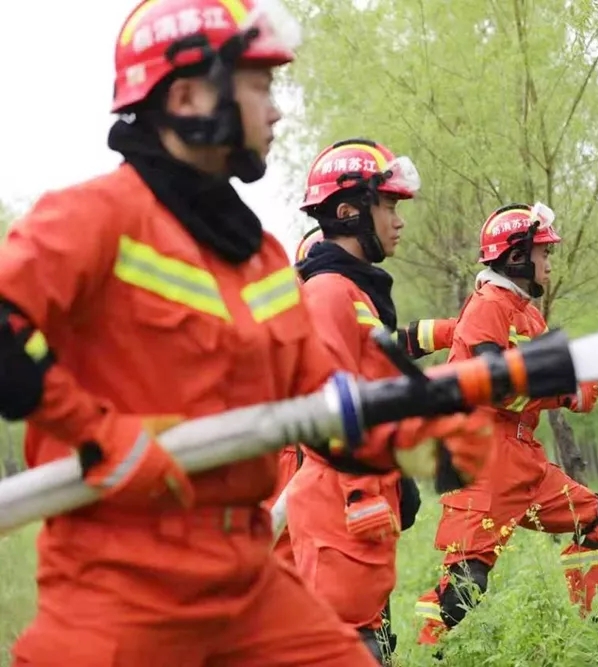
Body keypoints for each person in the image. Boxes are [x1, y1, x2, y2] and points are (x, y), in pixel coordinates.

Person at [0, 2, 491, 664]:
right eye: (259, 86)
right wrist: (96, 432)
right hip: (120, 583)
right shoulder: (94, 217)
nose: (276, 111)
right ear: (186, 97)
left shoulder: (259, 257)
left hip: (246, 577)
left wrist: (413, 441)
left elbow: (319, 406)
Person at [278, 141, 458, 664]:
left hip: (357, 502)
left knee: (366, 639)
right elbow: (326, 402)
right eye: (389, 206)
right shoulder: (329, 293)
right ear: (350, 211)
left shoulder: (357, 295)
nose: (398, 221)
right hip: (339, 506)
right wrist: (361, 491)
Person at [415, 202, 598, 648]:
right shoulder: (487, 307)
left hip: (526, 460)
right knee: (463, 588)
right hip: (484, 461)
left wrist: (585, 371)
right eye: (544, 252)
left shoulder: (527, 313)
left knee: (596, 519)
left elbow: (539, 377)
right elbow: (495, 388)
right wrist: (568, 391)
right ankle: (424, 651)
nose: (549, 262)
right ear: (516, 257)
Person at [266, 222, 457, 575]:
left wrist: (447, 332)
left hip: (332, 452)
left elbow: (384, 348)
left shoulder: (343, 303)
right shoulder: (318, 306)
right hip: (305, 455)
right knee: (291, 562)